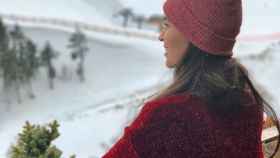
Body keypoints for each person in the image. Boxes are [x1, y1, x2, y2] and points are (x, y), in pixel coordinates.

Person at [102, 0, 280, 157]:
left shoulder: (167, 116)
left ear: (193, 36)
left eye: (167, 24)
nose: (161, 36)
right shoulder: (246, 105)